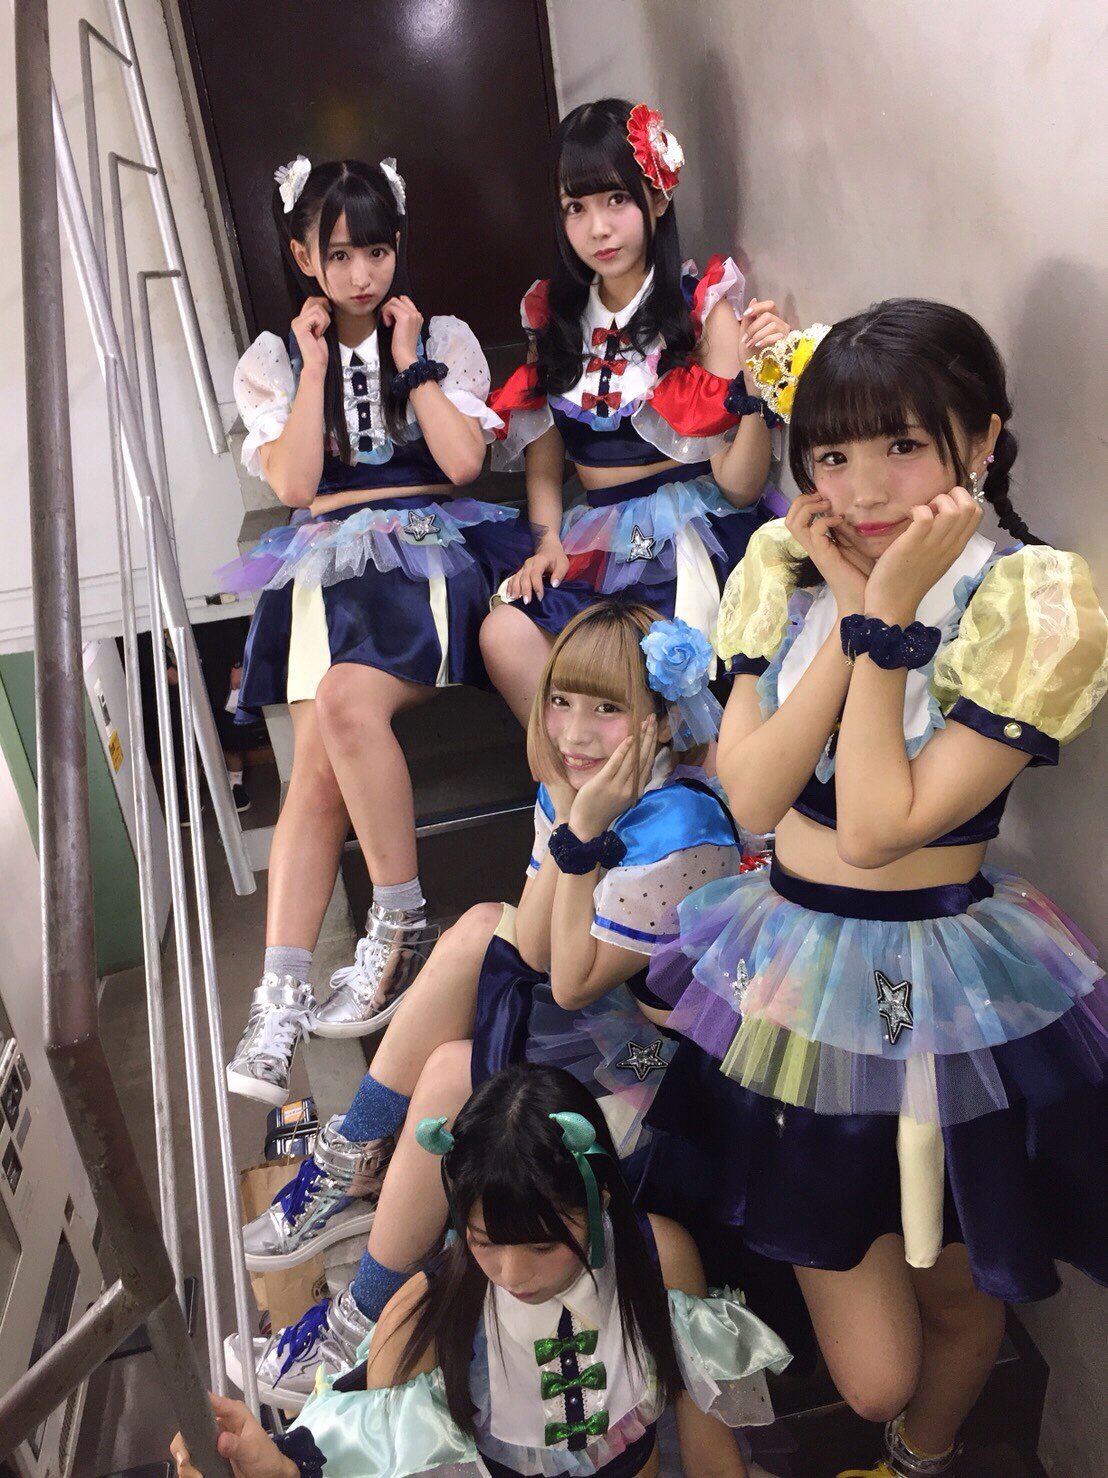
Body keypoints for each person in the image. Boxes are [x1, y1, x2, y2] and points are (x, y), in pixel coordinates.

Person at [638, 300, 1108, 1478]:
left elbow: (876, 828)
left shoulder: (1027, 600)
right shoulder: (787, 569)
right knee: (869, 1368)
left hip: (933, 974)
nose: (862, 489)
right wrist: (851, 614)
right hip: (789, 959)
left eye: (902, 446)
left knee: (953, 1291)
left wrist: (889, 616)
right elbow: (752, 796)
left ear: (980, 440)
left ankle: (913, 1460)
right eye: (832, 455)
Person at [224, 602, 742, 1410]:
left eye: (607, 709)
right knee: (475, 931)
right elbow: (529, 944)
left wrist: (578, 835)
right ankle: (350, 1162)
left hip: (662, 1073)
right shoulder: (578, 786)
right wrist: (567, 818)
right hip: (603, 1024)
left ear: (662, 722)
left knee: (449, 1076)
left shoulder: (684, 831)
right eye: (561, 700)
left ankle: (359, 1320)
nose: (574, 731)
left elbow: (569, 982)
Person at [219, 156, 526, 1100]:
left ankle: (396, 924)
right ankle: (279, 997)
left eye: (378, 251)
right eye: (341, 254)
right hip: (325, 569)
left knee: (345, 707)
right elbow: (296, 483)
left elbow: (465, 463)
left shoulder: (441, 339)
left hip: (426, 554)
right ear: (303, 256)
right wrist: (317, 366)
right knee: (312, 772)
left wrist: (411, 361)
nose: (361, 274)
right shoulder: (275, 361)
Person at [173, 1064, 791, 1477]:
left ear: (600, 1197)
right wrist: (278, 1467)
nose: (512, 1273)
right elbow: (365, 1454)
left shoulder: (659, 1257)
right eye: (485, 1242)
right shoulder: (427, 1315)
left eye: (543, 1245)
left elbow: (709, 1442)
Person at [481, 98, 791, 724]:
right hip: (589, 532)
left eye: (616, 200)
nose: (597, 228)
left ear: (657, 197)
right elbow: (545, 466)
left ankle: (669, 779)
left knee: (653, 680)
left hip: (695, 532)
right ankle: (583, 782)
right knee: (504, 634)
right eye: (576, 207)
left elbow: (737, 486)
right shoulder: (554, 318)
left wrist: (757, 390)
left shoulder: (701, 311)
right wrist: (546, 541)